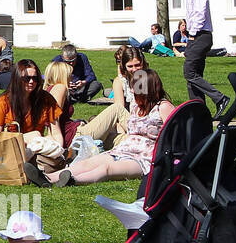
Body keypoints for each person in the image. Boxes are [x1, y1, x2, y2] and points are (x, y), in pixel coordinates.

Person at [34, 69, 176, 187]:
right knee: (88, 163)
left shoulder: (163, 107)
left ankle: (73, 181)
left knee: (107, 169)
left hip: (144, 158)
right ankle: (46, 178)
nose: (132, 91)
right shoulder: (135, 106)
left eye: (135, 88)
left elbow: (177, 135)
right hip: (123, 149)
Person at [179, 0, 228, 114]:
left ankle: (220, 98)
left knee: (189, 72)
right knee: (194, 76)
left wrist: (192, 34)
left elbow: (200, 13)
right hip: (196, 36)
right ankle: (198, 111)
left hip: (201, 36)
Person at [0, 60, 63, 159]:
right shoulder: (3, 102)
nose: (31, 82)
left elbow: (56, 133)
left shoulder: (46, 99)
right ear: (17, 79)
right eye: (27, 78)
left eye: (35, 78)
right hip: (10, 149)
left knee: (48, 139)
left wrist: (59, 151)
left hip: (36, 148)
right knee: (35, 135)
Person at [79, 46, 147, 152]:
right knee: (115, 128)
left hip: (144, 121)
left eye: (137, 65)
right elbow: (119, 112)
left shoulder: (147, 78)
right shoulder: (120, 81)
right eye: (130, 66)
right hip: (128, 122)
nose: (134, 69)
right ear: (124, 66)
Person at [43, 58, 77, 145]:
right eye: (69, 74)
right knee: (115, 109)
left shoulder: (48, 90)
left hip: (69, 131)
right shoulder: (60, 87)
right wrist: (58, 142)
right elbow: (53, 117)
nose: (71, 77)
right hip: (71, 134)